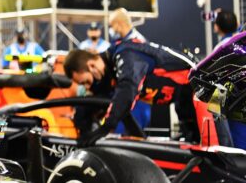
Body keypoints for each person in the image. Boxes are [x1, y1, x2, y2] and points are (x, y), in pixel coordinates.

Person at [64, 41, 199, 147]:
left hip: (204, 88)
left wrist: (106, 128)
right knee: (194, 143)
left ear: (92, 66)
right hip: (185, 102)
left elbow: (127, 90)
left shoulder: (125, 54)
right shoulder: (108, 72)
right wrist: (82, 131)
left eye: (87, 81)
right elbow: (98, 101)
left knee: (215, 153)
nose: (88, 87)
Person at [210, 9, 246, 148]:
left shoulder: (223, 48)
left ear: (217, 27)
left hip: (235, 108)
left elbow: (217, 84)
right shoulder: (238, 44)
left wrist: (215, 111)